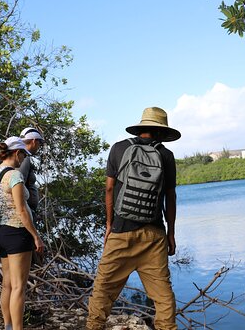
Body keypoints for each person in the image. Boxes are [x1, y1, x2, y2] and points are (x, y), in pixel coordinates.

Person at [87, 107, 181, 330]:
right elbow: (170, 197)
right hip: (154, 236)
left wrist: (109, 225)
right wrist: (171, 233)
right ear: (161, 131)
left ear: (141, 128)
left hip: (121, 233)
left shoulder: (119, 149)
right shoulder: (166, 155)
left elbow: (109, 190)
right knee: (163, 297)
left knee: (102, 291)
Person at [0, 137, 45, 330]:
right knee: (19, 287)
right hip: (18, 233)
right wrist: (36, 236)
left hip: (2, 232)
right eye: (23, 154)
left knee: (7, 284)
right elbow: (21, 210)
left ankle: (8, 326)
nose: (23, 159)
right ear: (16, 153)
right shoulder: (14, 176)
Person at [18, 127, 44, 217]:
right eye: (39, 143)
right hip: (25, 212)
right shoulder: (24, 158)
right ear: (34, 141)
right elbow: (19, 183)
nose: (39, 146)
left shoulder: (23, 157)